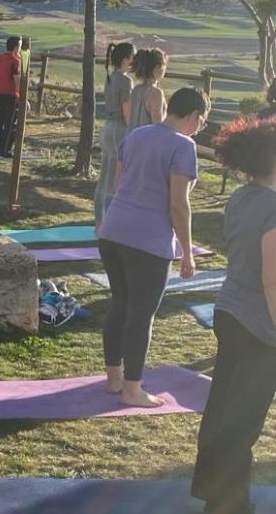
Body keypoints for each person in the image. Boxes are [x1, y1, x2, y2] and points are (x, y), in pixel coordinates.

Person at [98, 86, 209, 408]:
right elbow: (178, 205)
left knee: (120, 305)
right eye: (201, 121)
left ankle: (114, 379)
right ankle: (133, 389)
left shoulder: (137, 135)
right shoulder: (183, 146)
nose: (199, 127)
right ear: (192, 115)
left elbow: (120, 184)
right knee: (141, 315)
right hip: (146, 241)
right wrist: (187, 251)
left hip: (113, 231)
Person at [191, 118, 276, 514]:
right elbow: (272, 282)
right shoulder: (273, 208)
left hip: (229, 311)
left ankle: (217, 496)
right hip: (261, 325)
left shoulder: (242, 197)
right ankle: (229, 505)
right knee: (242, 422)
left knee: (224, 410)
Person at [94, 42, 136, 225]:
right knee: (113, 181)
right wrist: (133, 129)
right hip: (119, 129)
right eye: (132, 57)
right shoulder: (126, 81)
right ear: (126, 59)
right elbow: (127, 109)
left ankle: (98, 222)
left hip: (107, 127)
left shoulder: (111, 77)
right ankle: (108, 223)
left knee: (103, 179)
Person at [0, 36, 22, 157]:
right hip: (11, 94)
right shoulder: (15, 61)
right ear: (16, 47)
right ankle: (5, 150)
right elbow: (17, 80)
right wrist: (21, 95)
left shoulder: (1, 58)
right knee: (10, 123)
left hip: (1, 92)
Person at [127, 48, 168, 132]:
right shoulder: (156, 93)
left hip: (132, 139)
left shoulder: (136, 90)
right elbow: (157, 126)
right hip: (147, 141)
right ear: (157, 67)